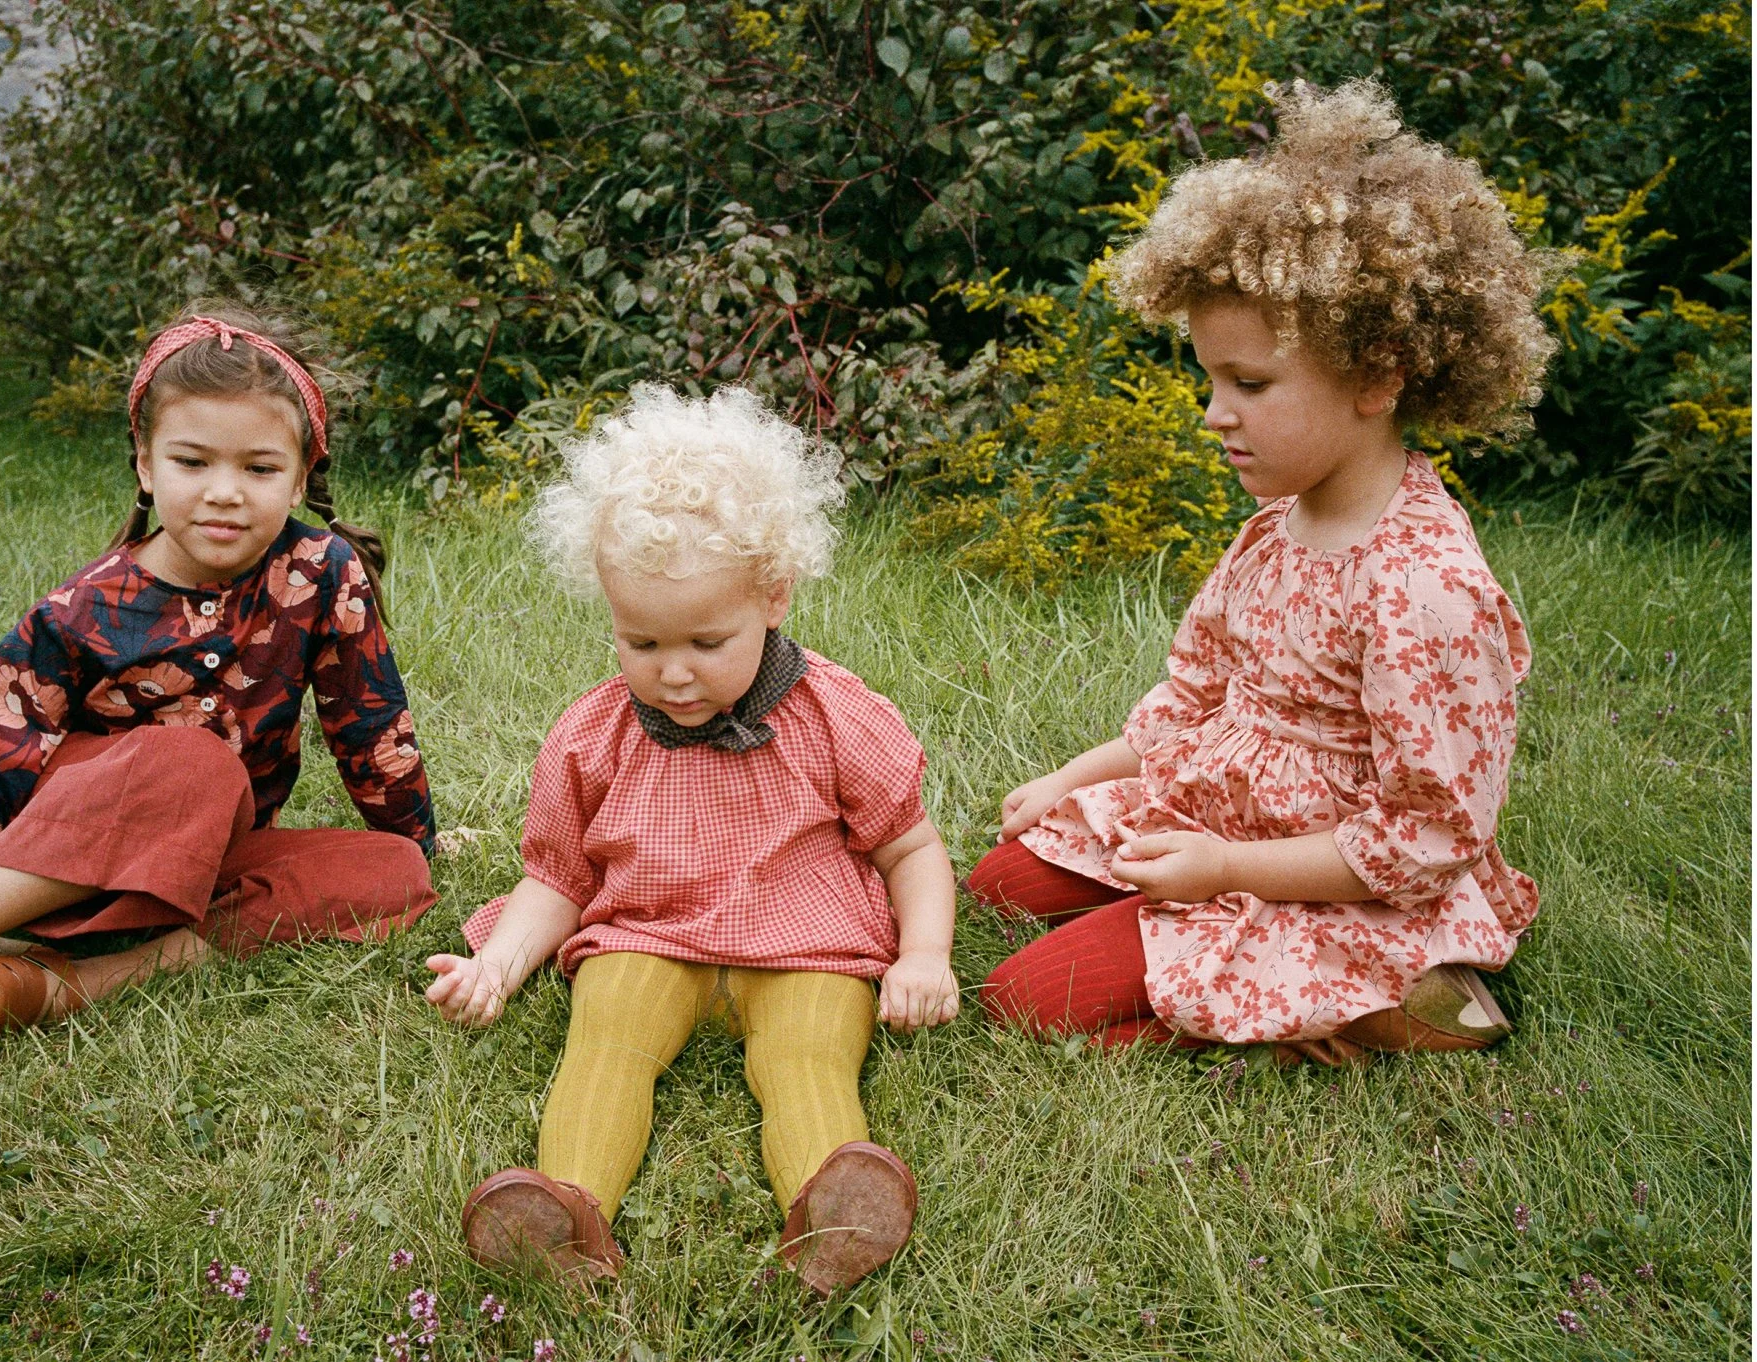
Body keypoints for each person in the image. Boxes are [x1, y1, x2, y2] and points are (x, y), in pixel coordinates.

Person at [973, 79, 1556, 1065]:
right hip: (1218, 820)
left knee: (1020, 999)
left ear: (1377, 376)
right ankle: (1259, 974)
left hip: (1337, 877)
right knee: (997, 887)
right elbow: (1193, 698)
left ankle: (1373, 1005)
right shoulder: (1274, 529)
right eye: (1209, 378)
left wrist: (1219, 871)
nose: (1214, 412)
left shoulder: (1422, 590)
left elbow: (1426, 836)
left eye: (1247, 384)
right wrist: (1067, 778)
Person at [0, 301, 437, 1121]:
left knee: (395, 875)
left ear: (302, 476)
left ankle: (54, 987)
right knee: (196, 762)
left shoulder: (323, 571)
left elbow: (371, 724)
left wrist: (416, 836)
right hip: (49, 870)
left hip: (186, 874)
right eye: (192, 461)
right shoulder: (79, 611)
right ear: (145, 464)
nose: (225, 494)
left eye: (261, 471)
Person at [424, 384, 958, 1293]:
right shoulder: (593, 734)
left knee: (806, 1056)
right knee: (605, 1041)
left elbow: (911, 848)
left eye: (708, 641)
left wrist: (924, 956)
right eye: (641, 642)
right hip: (650, 935)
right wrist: (498, 966)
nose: (673, 673)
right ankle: (566, 1212)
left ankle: (832, 1212)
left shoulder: (834, 714)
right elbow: (555, 876)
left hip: (806, 944)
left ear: (774, 596)